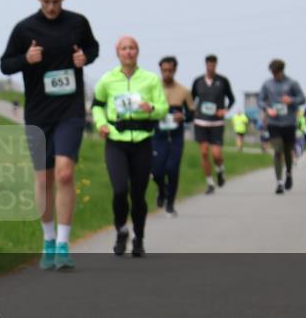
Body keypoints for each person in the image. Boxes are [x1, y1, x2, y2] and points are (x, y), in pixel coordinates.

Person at [0, 0, 99, 270]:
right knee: (44, 178)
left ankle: (64, 244)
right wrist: (25, 59)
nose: (52, 7)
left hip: (70, 111)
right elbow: (5, 64)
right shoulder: (24, 29)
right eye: (46, 2)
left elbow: (93, 48)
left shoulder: (78, 23)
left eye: (56, 1)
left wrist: (85, 58)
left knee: (65, 174)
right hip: (39, 114)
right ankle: (48, 240)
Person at [92, 36, 168, 257]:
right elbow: (97, 105)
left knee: (138, 194)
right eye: (124, 48)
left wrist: (150, 107)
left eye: (132, 48)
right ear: (118, 52)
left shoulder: (150, 79)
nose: (128, 52)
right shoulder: (107, 79)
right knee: (119, 190)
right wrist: (101, 124)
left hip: (142, 141)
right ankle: (121, 230)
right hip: (116, 141)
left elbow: (163, 108)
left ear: (138, 51)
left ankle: (139, 239)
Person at [152, 56, 194, 217]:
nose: (167, 74)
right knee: (156, 170)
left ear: (175, 70)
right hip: (158, 135)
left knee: (172, 169)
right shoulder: (153, 89)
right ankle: (162, 190)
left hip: (176, 136)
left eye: (170, 71)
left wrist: (183, 116)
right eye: (164, 71)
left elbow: (191, 113)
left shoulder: (184, 91)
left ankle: (170, 204)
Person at [258, 59, 306, 194]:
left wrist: (291, 100)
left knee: (287, 151)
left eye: (276, 72)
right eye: (272, 73)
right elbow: (260, 100)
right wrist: (267, 109)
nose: (274, 75)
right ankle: (279, 182)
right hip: (274, 123)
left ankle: (289, 172)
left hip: (289, 122)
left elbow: (302, 98)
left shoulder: (292, 83)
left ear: (282, 71)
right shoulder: (267, 84)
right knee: (277, 150)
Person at [190, 55, 236, 194]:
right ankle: (210, 183)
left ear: (216, 65)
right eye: (209, 64)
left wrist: (225, 110)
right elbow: (191, 99)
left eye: (213, 64)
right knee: (204, 152)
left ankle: (220, 170)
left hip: (216, 122)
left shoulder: (222, 81)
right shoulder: (198, 81)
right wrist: (193, 111)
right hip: (201, 122)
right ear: (206, 65)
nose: (211, 67)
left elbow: (232, 99)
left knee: (216, 154)